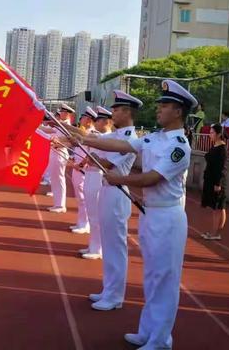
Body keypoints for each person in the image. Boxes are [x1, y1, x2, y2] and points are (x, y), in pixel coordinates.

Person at [74, 80, 197, 349]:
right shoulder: (155, 138)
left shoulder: (179, 147)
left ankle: (161, 339)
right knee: (152, 276)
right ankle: (148, 332)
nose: (158, 110)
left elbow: (153, 178)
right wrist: (84, 137)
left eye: (164, 105)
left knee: (164, 278)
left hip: (168, 217)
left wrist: (120, 179)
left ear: (178, 111)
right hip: (150, 214)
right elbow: (125, 147)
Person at [89, 91, 142, 311]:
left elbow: (106, 164)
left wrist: (88, 152)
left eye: (116, 109)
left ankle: (115, 296)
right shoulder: (119, 135)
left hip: (117, 192)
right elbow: (94, 139)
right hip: (107, 191)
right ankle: (108, 289)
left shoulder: (129, 138)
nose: (112, 113)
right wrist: (66, 132)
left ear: (127, 112)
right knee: (108, 244)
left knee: (115, 246)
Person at [78, 106, 113, 259]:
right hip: (90, 175)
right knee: (92, 214)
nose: (95, 123)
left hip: (98, 177)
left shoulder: (109, 139)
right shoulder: (98, 136)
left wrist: (94, 161)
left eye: (98, 120)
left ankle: (98, 248)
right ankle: (93, 245)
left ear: (107, 122)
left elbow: (108, 162)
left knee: (97, 215)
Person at [68, 106, 98, 234]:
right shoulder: (84, 130)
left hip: (83, 168)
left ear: (89, 120)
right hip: (77, 166)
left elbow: (90, 152)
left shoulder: (92, 133)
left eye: (83, 117)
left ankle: (85, 224)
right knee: (79, 198)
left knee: (83, 198)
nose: (81, 119)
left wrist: (80, 165)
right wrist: (74, 161)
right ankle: (81, 222)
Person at [200, 124, 228, 240]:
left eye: (212, 132)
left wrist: (218, 184)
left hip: (217, 181)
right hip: (210, 180)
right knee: (217, 207)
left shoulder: (222, 149)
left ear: (218, 134)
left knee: (218, 208)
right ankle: (215, 232)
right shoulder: (215, 146)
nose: (209, 134)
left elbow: (221, 168)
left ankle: (215, 233)